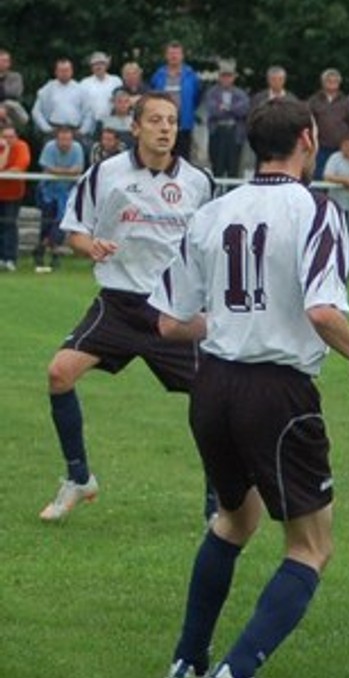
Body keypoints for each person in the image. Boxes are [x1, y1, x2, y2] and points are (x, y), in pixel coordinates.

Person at [153, 96, 349, 678]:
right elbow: (322, 310)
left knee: (234, 519)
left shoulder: (214, 210)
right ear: (309, 137)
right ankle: (237, 674)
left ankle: (188, 660)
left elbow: (170, 324)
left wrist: (234, 321)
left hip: (212, 386)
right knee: (312, 546)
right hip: (277, 393)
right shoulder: (316, 209)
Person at [37, 93, 216, 523]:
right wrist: (91, 247)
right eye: (155, 120)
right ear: (135, 127)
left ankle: (218, 506)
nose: (165, 128)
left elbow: (212, 246)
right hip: (118, 305)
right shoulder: (106, 174)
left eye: (170, 120)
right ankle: (79, 478)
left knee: (213, 400)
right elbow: (74, 232)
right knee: (59, 374)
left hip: (173, 311)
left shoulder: (198, 182)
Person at [34, 126, 85, 272]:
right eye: (62, 139)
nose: (65, 143)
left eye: (68, 139)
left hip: (67, 192)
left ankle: (50, 250)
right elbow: (48, 168)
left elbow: (78, 169)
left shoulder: (77, 148)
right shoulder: (49, 147)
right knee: (47, 222)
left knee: (61, 222)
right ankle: (44, 249)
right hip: (48, 190)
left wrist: (59, 171)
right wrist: (67, 172)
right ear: (57, 139)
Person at [149, 42, 201, 158]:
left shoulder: (191, 76)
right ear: (166, 56)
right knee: (162, 156)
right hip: (162, 123)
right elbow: (152, 97)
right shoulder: (158, 75)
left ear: (182, 56)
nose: (174, 56)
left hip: (184, 124)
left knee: (183, 157)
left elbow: (196, 98)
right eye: (171, 53)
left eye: (177, 53)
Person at [204, 61, 250, 178]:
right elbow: (213, 110)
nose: (226, 79)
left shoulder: (241, 93)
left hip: (234, 133)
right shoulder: (212, 93)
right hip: (217, 132)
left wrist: (226, 108)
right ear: (219, 77)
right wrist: (232, 109)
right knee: (217, 167)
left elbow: (243, 110)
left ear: (233, 78)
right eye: (223, 76)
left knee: (233, 168)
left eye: (229, 76)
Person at [308, 68, 349, 173]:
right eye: (329, 81)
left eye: (335, 81)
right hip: (320, 147)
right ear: (323, 83)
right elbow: (308, 122)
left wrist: (348, 141)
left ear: (339, 83)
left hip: (340, 147)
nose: (332, 84)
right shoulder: (313, 101)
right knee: (319, 174)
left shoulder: (346, 101)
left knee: (339, 174)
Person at [0, 122, 31, 271]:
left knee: (10, 225)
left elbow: (19, 168)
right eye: (5, 137)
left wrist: (5, 172)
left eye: (11, 137)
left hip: (13, 194)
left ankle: (10, 258)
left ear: (17, 137)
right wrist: (5, 150)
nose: (8, 140)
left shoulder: (22, 147)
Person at [80, 52, 123, 128]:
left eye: (101, 64)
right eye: (95, 64)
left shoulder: (116, 81)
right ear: (91, 67)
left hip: (112, 122)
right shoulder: (84, 83)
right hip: (91, 124)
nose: (98, 66)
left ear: (106, 65)